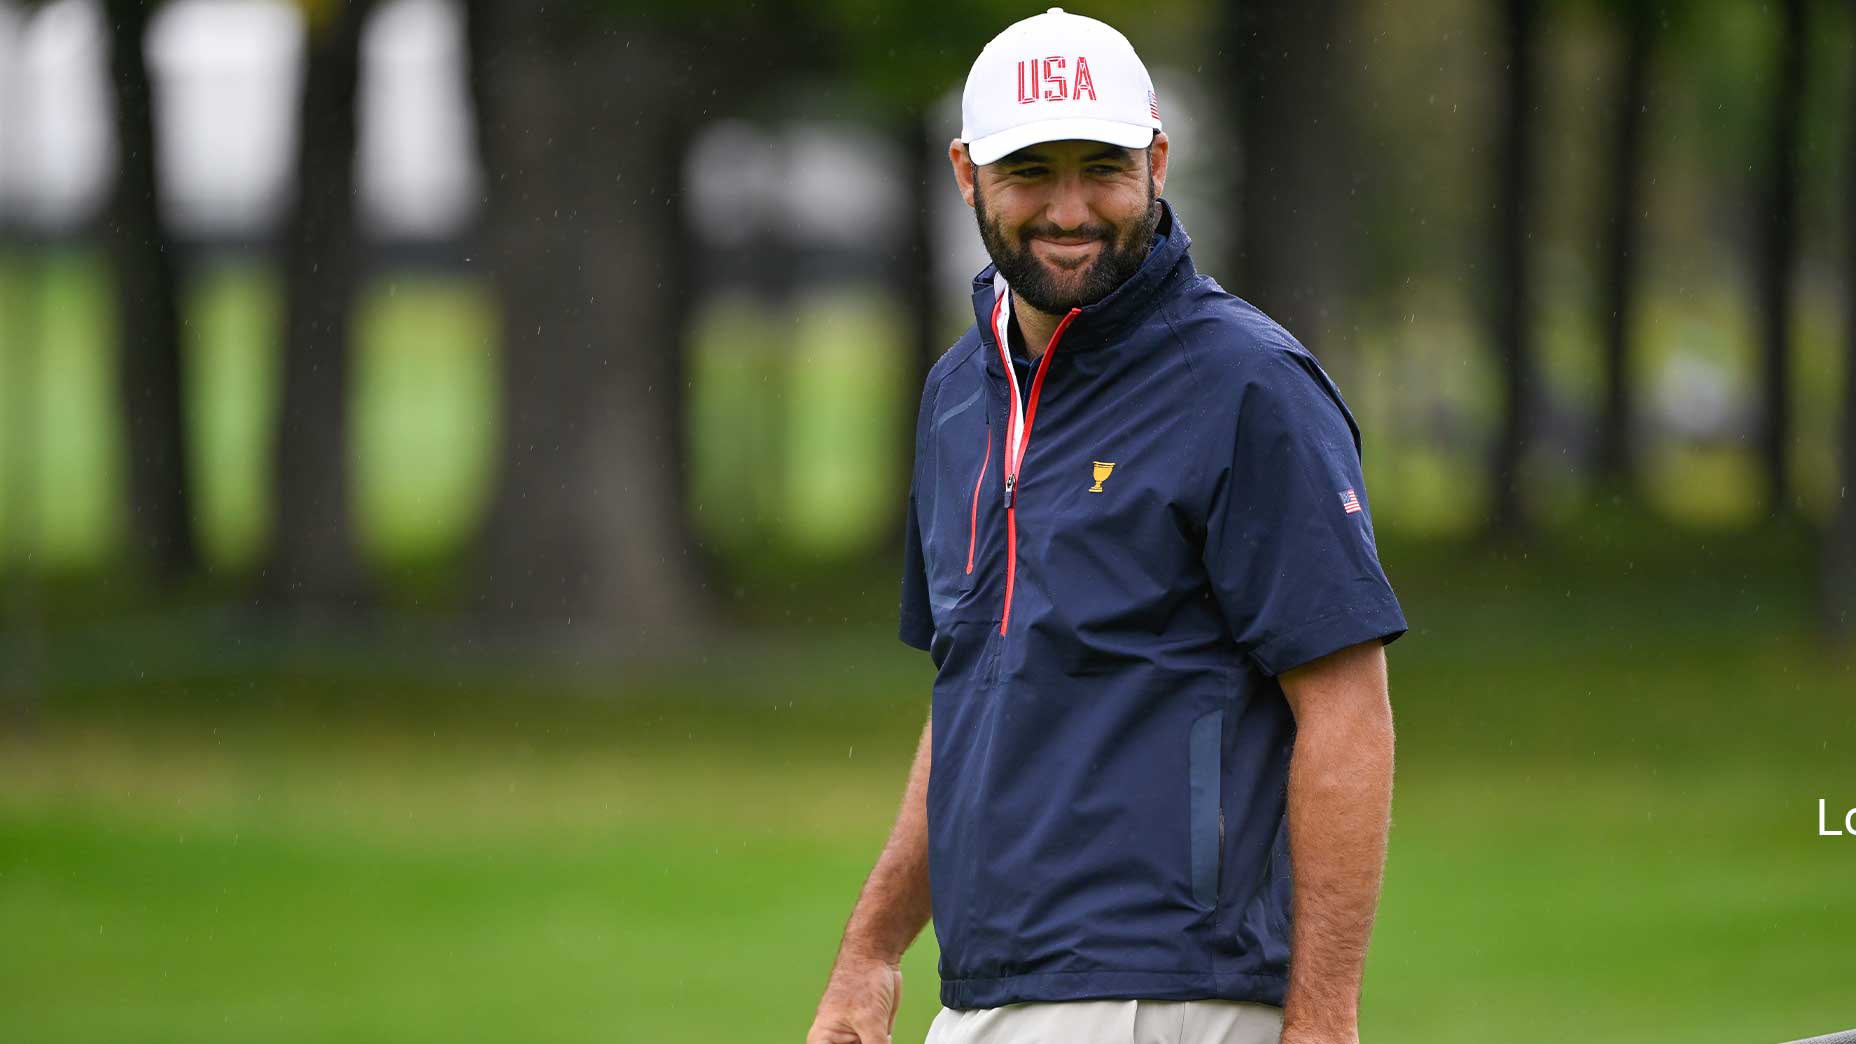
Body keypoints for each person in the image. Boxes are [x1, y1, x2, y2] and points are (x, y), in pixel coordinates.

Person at [806, 9, 1407, 1044]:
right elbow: (975, 694)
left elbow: (1346, 715)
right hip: (992, 987)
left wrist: (1321, 1021)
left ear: (1157, 161)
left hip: (1170, 994)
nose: (1070, 208)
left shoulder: (1244, 384)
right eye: (1030, 171)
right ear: (965, 173)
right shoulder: (960, 394)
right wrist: (869, 951)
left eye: (1103, 167)